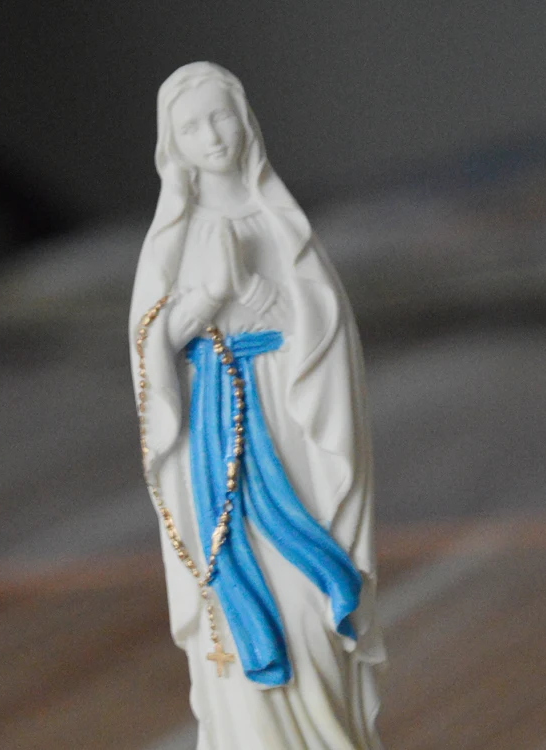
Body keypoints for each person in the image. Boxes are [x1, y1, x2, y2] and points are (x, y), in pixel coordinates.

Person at [129, 61, 386, 750]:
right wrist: (208, 297)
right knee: (243, 603)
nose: (212, 136)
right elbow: (150, 344)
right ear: (173, 144)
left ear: (245, 121)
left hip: (290, 417)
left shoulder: (281, 220)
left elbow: (327, 332)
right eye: (192, 127)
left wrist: (264, 300)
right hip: (217, 433)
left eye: (220, 117)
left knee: (311, 601)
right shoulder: (173, 235)